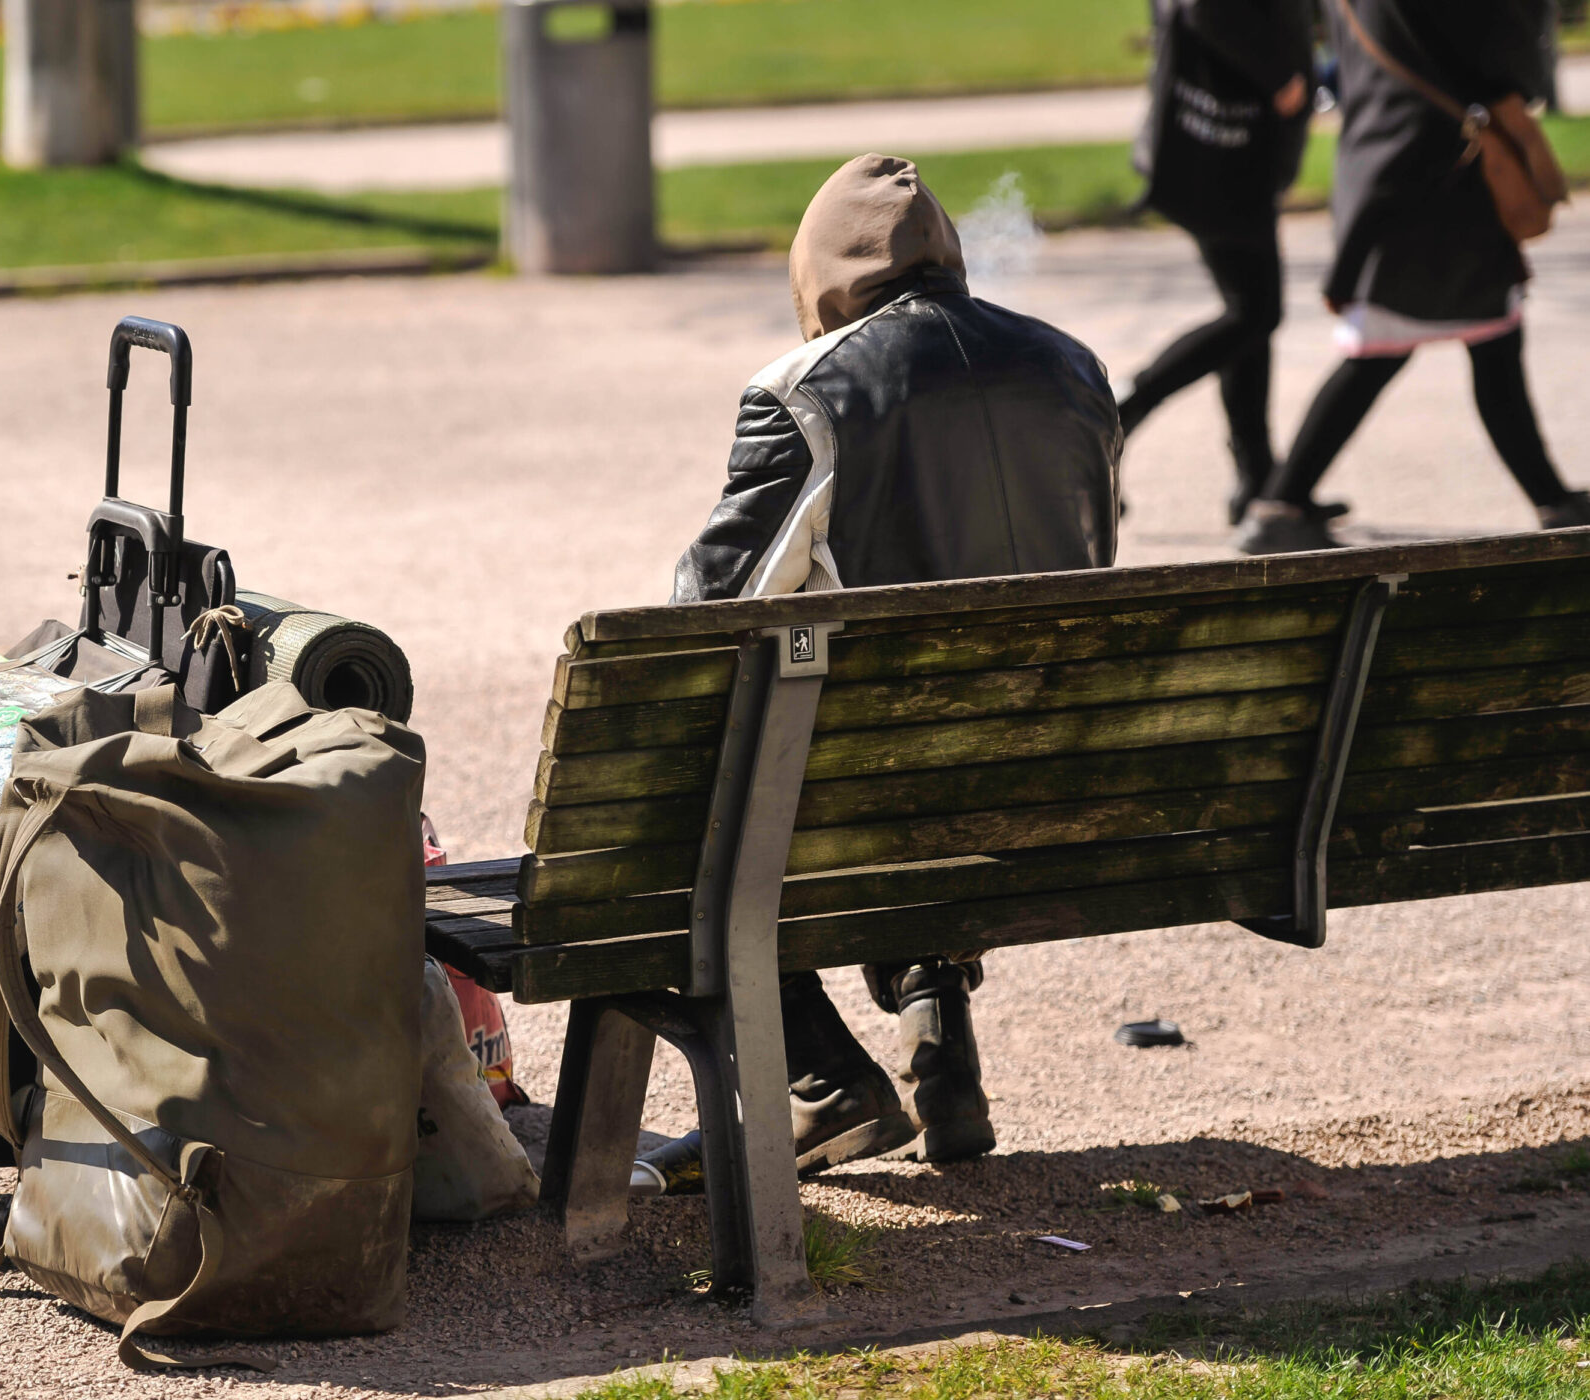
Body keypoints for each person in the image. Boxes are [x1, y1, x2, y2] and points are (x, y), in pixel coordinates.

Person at [653, 155, 1120, 1179]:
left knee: (680, 793)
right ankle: (939, 1042)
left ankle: (824, 1081)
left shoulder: (807, 391)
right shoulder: (1075, 369)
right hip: (1056, 779)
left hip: (878, 794)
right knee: (918, 736)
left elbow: (707, 614)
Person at [1235, 0, 1587, 554]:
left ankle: (1551, 497)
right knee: (1392, 347)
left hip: (1387, 154)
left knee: (1476, 341)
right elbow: (1503, 49)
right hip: (1437, 166)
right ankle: (1280, 506)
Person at [1121, 0, 1315, 526]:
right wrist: (1280, 78)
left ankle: (1258, 477)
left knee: (1249, 311)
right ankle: (1120, 413)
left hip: (1228, 153)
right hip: (1224, 156)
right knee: (1256, 313)